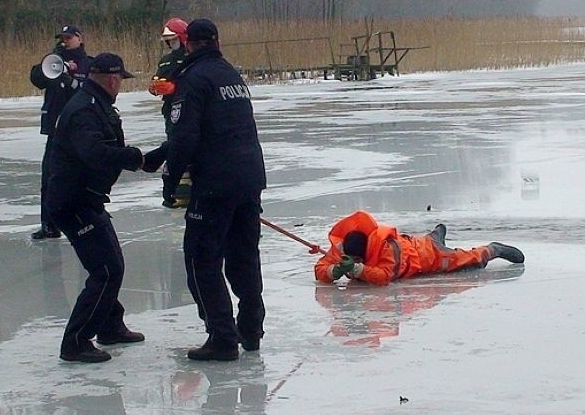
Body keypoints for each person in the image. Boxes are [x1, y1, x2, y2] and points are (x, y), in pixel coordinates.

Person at [161, 18, 267, 361]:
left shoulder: (192, 80)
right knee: (244, 257)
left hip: (215, 184)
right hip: (249, 178)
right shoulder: (230, 75)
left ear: (188, 43)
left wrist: (170, 178)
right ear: (217, 42)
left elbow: (184, 136)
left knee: (201, 258)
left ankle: (222, 336)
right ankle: (251, 328)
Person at [47, 52, 146, 363]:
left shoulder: (94, 103)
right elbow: (94, 152)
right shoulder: (85, 110)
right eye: (121, 81)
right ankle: (76, 341)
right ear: (113, 79)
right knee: (106, 269)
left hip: (86, 197)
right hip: (72, 202)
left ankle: (109, 324)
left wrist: (137, 159)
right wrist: (133, 157)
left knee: (112, 262)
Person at [314, 210, 524, 285]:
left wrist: (359, 270)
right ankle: (437, 233)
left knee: (469, 261)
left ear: (365, 253)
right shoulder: (344, 248)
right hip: (416, 243)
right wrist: (334, 271)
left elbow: (385, 276)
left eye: (358, 260)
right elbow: (321, 268)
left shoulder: (385, 248)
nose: (354, 262)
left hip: (426, 256)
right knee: (432, 239)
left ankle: (494, 249)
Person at [29, 24, 92, 240]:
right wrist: (54, 60)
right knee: (49, 179)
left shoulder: (89, 64)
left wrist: (71, 78)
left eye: (69, 38)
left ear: (80, 38)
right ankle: (49, 225)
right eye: (62, 38)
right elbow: (37, 77)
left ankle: (82, 222)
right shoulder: (54, 60)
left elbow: (89, 91)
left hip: (79, 131)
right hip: (56, 130)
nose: (65, 41)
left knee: (80, 179)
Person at [145, 17, 192, 208]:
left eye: (173, 39)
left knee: (186, 148)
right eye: (168, 40)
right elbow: (157, 80)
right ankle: (176, 190)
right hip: (170, 110)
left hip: (189, 109)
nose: (171, 43)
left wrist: (176, 87)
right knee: (175, 147)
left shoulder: (192, 58)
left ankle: (188, 188)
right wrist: (156, 88)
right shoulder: (165, 61)